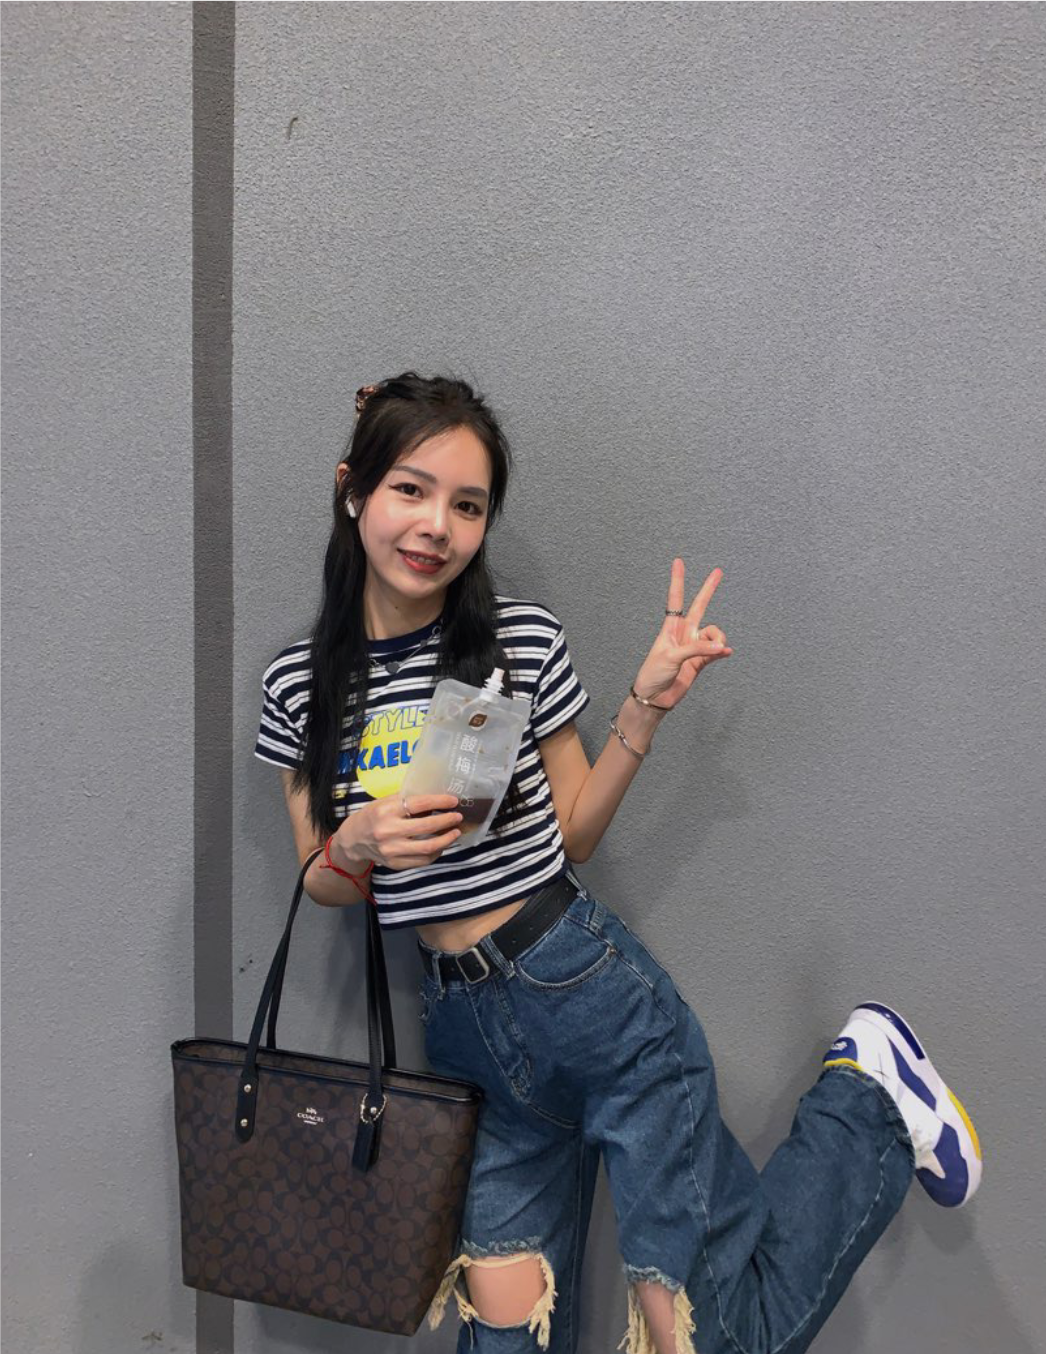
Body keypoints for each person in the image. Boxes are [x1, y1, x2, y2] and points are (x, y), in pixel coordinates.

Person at [254, 371, 982, 1354]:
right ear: (353, 491)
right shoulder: (301, 683)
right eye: (410, 490)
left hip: (594, 1005)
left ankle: (868, 1099)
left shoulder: (513, 640)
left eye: (467, 504)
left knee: (704, 1339)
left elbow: (574, 835)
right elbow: (318, 877)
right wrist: (353, 843)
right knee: (505, 1343)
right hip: (466, 1040)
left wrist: (643, 707)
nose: (436, 526)